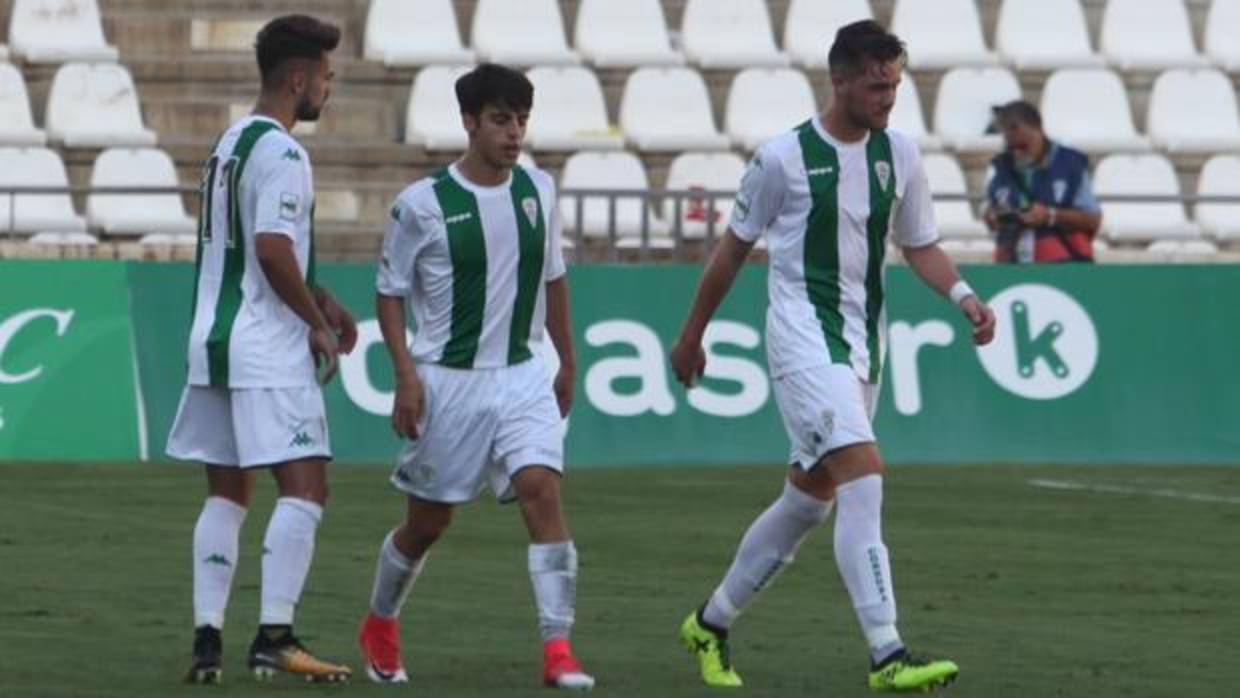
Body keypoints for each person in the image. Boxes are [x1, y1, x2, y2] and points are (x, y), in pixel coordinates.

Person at [669, 20, 996, 693]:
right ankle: (887, 653)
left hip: (860, 346)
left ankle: (711, 621)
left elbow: (920, 244)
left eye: (895, 86)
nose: (888, 98)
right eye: (877, 85)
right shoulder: (781, 159)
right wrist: (691, 334)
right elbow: (731, 249)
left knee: (810, 501)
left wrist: (964, 295)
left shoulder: (898, 155)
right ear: (839, 80)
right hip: (800, 338)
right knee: (863, 475)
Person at [355, 63, 593, 691]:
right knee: (428, 524)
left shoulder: (538, 189)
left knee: (541, 489)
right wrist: (406, 376)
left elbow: (554, 278)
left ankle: (559, 649)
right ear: (469, 123)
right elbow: (389, 294)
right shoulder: (422, 206)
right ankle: (381, 621)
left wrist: (567, 360)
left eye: (520, 121)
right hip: (449, 383)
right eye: (500, 120)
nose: (514, 133)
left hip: (521, 374)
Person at [166, 14, 357, 685]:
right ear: (299, 79)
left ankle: (207, 643)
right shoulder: (284, 153)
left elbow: (255, 248)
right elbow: (274, 250)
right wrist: (315, 323)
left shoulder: (227, 144)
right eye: (326, 79)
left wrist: (321, 294)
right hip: (264, 348)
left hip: (212, 342)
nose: (328, 91)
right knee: (307, 487)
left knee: (227, 493)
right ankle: (275, 635)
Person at [984, 100, 1102, 263]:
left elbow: (1093, 219)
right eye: (1007, 135)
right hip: (1012, 268)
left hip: (1064, 267)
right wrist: (993, 216)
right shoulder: (1002, 167)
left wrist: (1051, 215)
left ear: (1037, 128)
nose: (1016, 149)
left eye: (1022, 143)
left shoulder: (1070, 164)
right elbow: (990, 211)